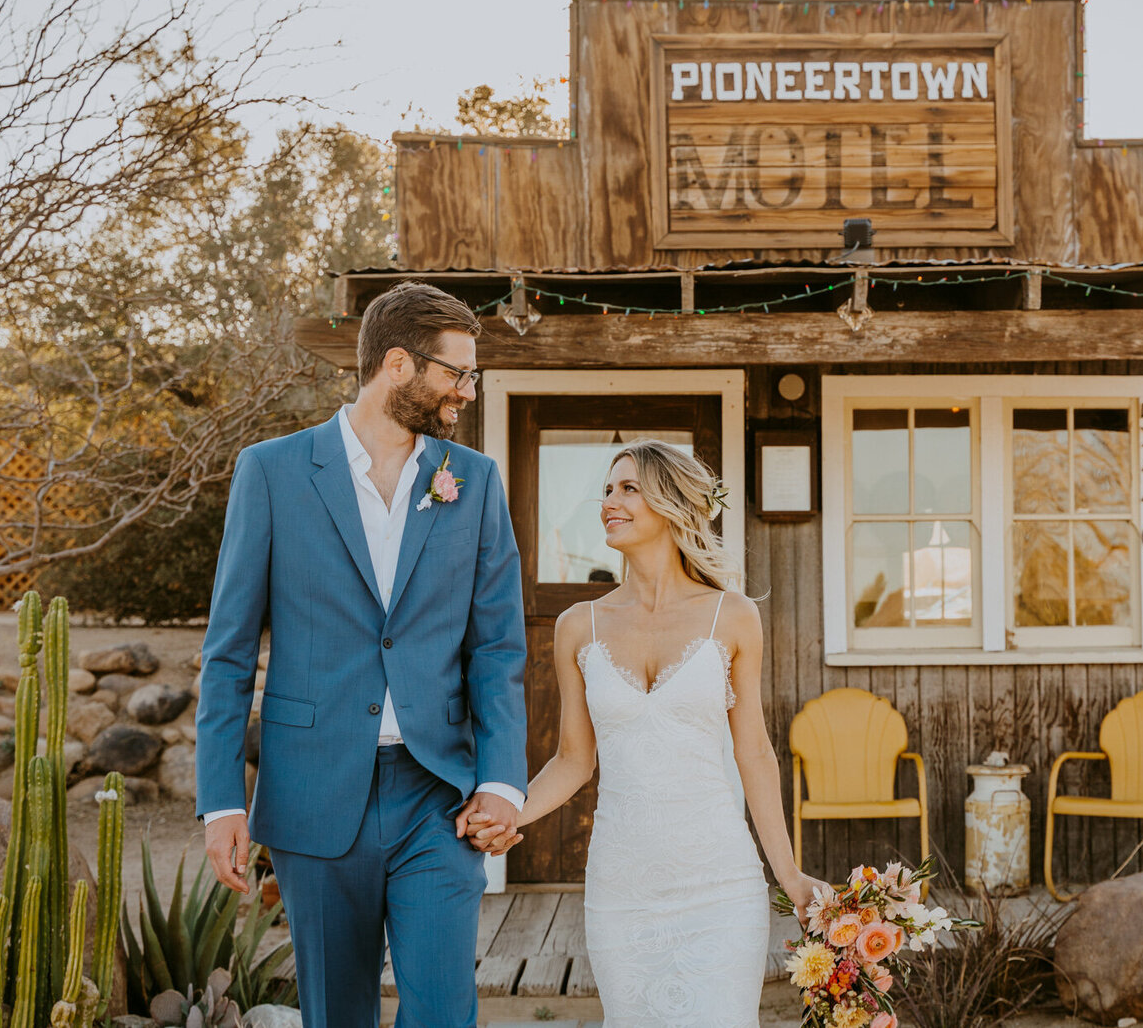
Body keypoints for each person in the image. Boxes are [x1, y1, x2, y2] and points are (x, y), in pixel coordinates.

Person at [195, 281, 527, 1028]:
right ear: (399, 365)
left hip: (435, 792)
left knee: (443, 1013)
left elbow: (498, 647)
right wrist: (221, 800)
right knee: (337, 1012)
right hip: (313, 792)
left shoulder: (473, 483)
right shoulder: (272, 471)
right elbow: (229, 651)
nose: (468, 390)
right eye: (458, 372)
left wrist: (503, 779)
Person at [469, 439, 825, 1027]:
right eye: (608, 489)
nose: (610, 500)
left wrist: (788, 875)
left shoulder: (732, 616)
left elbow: (754, 752)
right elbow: (573, 760)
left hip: (720, 883)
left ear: (673, 503)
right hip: (622, 885)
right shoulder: (576, 626)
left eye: (628, 488)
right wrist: (510, 814)